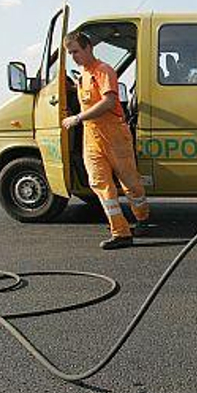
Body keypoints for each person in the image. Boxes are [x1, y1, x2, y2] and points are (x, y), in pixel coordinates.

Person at [61, 30, 149, 250]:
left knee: (130, 182)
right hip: (92, 136)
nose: (73, 57)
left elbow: (109, 102)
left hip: (114, 134)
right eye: (70, 53)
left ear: (88, 48)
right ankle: (120, 232)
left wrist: (78, 118)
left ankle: (142, 218)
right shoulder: (83, 75)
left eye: (76, 52)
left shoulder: (103, 71)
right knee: (100, 183)